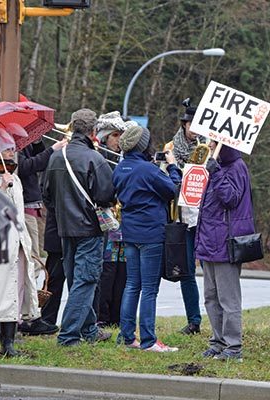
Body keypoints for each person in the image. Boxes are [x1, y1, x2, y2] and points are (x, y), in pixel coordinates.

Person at [43, 108, 116, 347]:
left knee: (77, 280)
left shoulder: (56, 157)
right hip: (89, 229)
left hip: (64, 228)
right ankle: (69, 335)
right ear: (94, 131)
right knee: (85, 281)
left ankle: (88, 329)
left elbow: (47, 195)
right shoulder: (95, 158)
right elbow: (106, 196)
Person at [113, 125, 181, 352]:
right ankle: (149, 340)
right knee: (150, 288)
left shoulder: (121, 167)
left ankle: (127, 336)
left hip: (130, 233)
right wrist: (172, 167)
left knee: (132, 284)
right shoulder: (147, 170)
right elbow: (171, 190)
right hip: (151, 233)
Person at [196, 144, 255, 361]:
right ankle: (218, 341)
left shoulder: (236, 167)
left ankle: (233, 347)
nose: (210, 146)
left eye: (214, 142)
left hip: (225, 242)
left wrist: (216, 172)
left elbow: (230, 198)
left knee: (228, 299)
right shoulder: (219, 166)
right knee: (211, 297)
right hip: (210, 242)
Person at [16, 137, 67, 336]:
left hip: (32, 206)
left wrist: (37, 143)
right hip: (26, 207)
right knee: (31, 262)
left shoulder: (22, 141)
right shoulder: (10, 143)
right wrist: (52, 150)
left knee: (33, 262)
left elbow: (37, 161)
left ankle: (29, 314)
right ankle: (26, 316)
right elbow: (28, 166)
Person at [163, 100, 203, 335]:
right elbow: (166, 180)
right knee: (186, 269)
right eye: (192, 124)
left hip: (205, 215)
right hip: (183, 216)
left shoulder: (208, 147)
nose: (196, 129)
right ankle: (193, 320)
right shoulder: (170, 147)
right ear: (184, 124)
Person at [0, 143, 40, 357]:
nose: (10, 152)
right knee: (2, 292)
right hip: (1, 245)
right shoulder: (4, 181)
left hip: (17, 244)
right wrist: (2, 189)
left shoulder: (15, 178)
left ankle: (8, 343)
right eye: (5, 148)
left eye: (12, 147)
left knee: (14, 292)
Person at [93, 111, 134, 327]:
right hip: (106, 223)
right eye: (115, 135)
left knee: (122, 270)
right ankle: (102, 315)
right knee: (107, 269)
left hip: (123, 222)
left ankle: (117, 316)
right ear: (105, 137)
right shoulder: (100, 157)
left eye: (121, 135)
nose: (119, 140)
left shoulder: (123, 158)